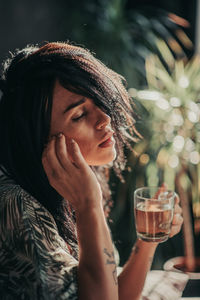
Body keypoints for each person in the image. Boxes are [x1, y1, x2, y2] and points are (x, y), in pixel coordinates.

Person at [0, 42, 183, 300]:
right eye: (78, 115)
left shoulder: (79, 181)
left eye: (97, 98)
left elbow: (113, 293)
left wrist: (148, 239)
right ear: (39, 141)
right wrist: (89, 204)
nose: (104, 118)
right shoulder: (18, 206)